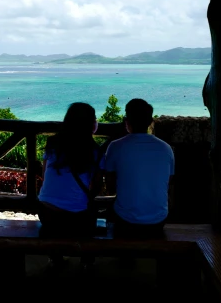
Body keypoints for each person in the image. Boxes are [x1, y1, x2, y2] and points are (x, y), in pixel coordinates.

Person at [37, 102, 103, 270]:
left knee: (59, 220)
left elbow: (45, 176)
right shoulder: (94, 150)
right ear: (91, 125)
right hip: (77, 219)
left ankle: (55, 258)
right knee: (90, 215)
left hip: (46, 214)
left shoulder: (52, 144)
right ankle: (87, 261)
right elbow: (96, 187)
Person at [103, 98, 174, 237]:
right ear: (150, 121)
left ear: (127, 120)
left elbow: (110, 187)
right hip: (158, 219)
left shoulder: (116, 146)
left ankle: (123, 255)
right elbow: (168, 183)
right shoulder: (166, 148)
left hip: (127, 221)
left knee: (110, 210)